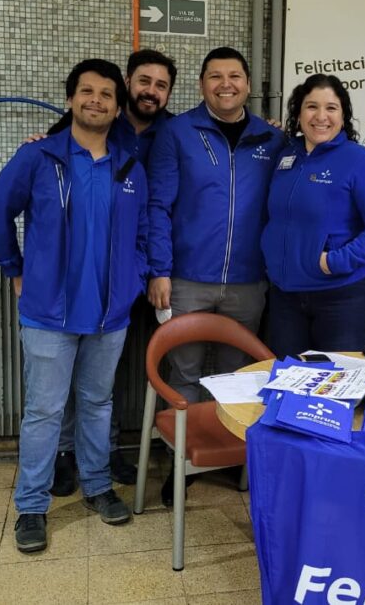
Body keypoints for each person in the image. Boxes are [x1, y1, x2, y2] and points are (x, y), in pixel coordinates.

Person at [0, 59, 148, 553]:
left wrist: (134, 279)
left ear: (118, 107)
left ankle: (97, 486)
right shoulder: (39, 157)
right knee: (44, 411)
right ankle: (31, 507)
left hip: (108, 314)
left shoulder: (129, 166)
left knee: (98, 404)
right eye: (86, 91)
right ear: (71, 98)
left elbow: (141, 232)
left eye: (106, 94)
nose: (96, 100)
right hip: (49, 313)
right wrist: (14, 268)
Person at [145, 46, 285, 505]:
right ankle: (181, 465)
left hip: (249, 281)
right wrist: (159, 270)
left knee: (238, 377)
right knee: (183, 374)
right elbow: (158, 206)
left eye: (235, 76)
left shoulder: (271, 139)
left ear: (248, 83)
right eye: (215, 76)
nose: (226, 84)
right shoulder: (177, 133)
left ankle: (231, 458)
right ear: (202, 84)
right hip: (186, 279)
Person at [40, 49, 178, 497]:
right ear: (127, 88)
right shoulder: (94, 121)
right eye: (143, 81)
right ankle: (64, 453)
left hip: (141, 272)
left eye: (160, 85)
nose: (150, 91)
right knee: (75, 366)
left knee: (116, 369)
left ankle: (104, 449)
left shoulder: (176, 132)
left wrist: (149, 270)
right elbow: (49, 160)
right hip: (84, 277)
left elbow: (155, 210)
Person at [260, 74, 365, 358]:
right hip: (285, 298)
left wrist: (335, 261)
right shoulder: (286, 158)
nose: (320, 116)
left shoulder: (359, 160)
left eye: (331, 108)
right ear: (298, 113)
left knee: (337, 388)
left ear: (343, 115)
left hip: (341, 297)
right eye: (311, 106)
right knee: (288, 385)